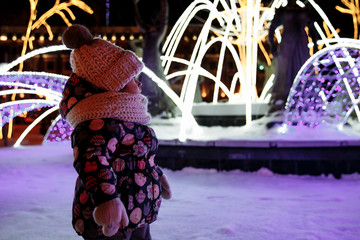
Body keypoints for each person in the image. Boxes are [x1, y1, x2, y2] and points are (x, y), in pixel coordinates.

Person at [59, 24, 172, 240]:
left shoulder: (131, 121)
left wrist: (156, 175)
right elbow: (92, 161)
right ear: (113, 86)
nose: (138, 83)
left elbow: (141, 156)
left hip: (139, 208)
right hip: (109, 218)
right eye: (131, 78)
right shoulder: (97, 125)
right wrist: (106, 200)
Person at [267, 0, 318, 114]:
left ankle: (306, 99)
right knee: (284, 72)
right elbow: (271, 30)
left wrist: (315, 47)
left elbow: (313, 30)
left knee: (303, 70)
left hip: (301, 45)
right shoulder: (282, 11)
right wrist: (272, 47)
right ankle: (280, 101)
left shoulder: (304, 11)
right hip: (287, 45)